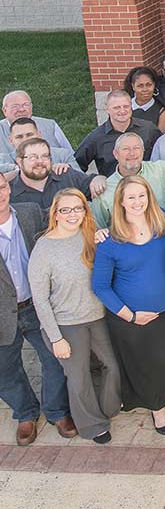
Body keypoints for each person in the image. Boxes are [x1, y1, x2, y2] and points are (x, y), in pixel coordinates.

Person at [91, 176, 165, 436]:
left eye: (142, 195)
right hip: (131, 318)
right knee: (146, 366)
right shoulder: (110, 240)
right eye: (131, 197)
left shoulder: (163, 224)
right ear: (121, 202)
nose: (137, 202)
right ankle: (157, 408)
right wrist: (131, 316)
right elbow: (100, 286)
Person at [26, 189, 120, 444]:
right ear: (55, 214)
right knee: (79, 378)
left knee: (112, 365)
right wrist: (56, 338)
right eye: (65, 209)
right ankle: (92, 425)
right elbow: (40, 298)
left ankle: (109, 408)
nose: (72, 214)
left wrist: (105, 236)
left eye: (78, 208)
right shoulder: (44, 248)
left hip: (98, 316)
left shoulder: (91, 234)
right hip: (66, 323)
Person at [0, 176, 75, 446]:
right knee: (5, 371)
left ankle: (56, 410)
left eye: (1, 187)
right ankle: (25, 413)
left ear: (8, 188)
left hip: (36, 306)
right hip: (1, 315)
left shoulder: (31, 212)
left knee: (55, 359)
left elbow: (65, 222)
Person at [91, 132, 165, 226]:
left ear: (143, 151)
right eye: (125, 149)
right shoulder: (104, 189)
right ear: (115, 154)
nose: (132, 153)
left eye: (136, 148)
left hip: (163, 233)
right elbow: (98, 226)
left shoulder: (158, 170)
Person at [76, 89, 161, 177]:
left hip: (146, 185)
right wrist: (93, 179)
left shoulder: (148, 129)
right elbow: (76, 165)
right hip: (113, 187)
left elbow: (162, 153)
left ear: (131, 106)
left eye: (126, 106)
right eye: (116, 107)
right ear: (107, 109)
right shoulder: (96, 138)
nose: (122, 111)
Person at [11, 136, 104, 208]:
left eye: (45, 156)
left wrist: (99, 178)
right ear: (19, 161)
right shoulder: (9, 193)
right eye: (33, 157)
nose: (40, 162)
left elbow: (92, 182)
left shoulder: (67, 176)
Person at [0, 91, 73, 155]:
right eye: (15, 106)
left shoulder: (50, 125)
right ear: (4, 110)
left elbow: (70, 154)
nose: (21, 109)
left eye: (26, 104)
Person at [0, 117, 76, 174]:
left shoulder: (63, 155)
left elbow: (82, 180)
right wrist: (14, 168)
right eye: (19, 137)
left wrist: (68, 170)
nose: (25, 140)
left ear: (39, 135)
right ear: (11, 140)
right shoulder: (3, 160)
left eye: (29, 135)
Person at [123, 66, 165, 132]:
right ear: (133, 86)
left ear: (154, 85)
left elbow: (162, 140)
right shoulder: (123, 106)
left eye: (149, 85)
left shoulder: (161, 113)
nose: (145, 89)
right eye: (140, 86)